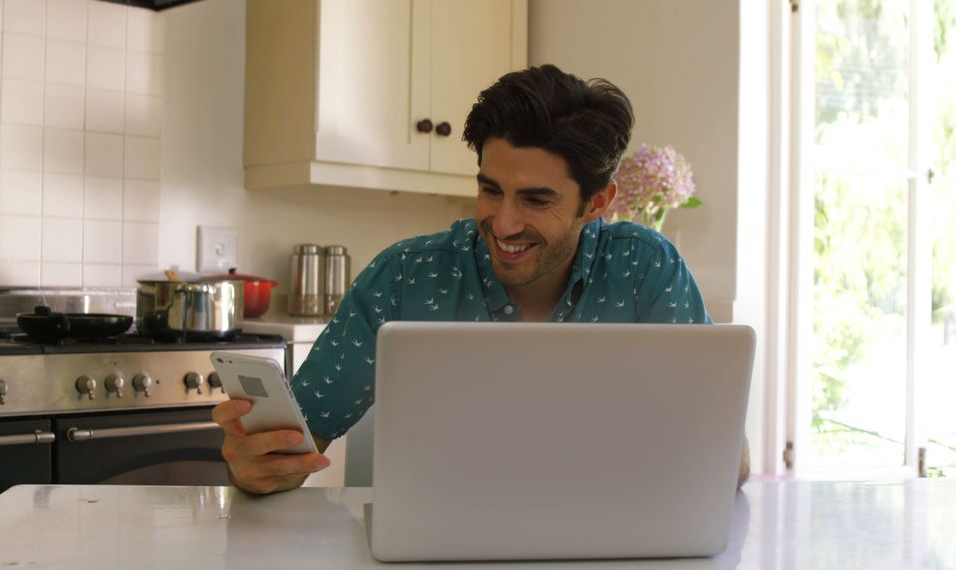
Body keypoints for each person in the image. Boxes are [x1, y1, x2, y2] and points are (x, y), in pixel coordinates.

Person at [212, 64, 749, 495]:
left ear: (598, 202)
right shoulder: (404, 277)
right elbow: (292, 444)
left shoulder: (645, 268)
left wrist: (722, 453)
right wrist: (254, 468)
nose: (505, 223)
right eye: (491, 190)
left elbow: (727, 456)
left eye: (536, 200)